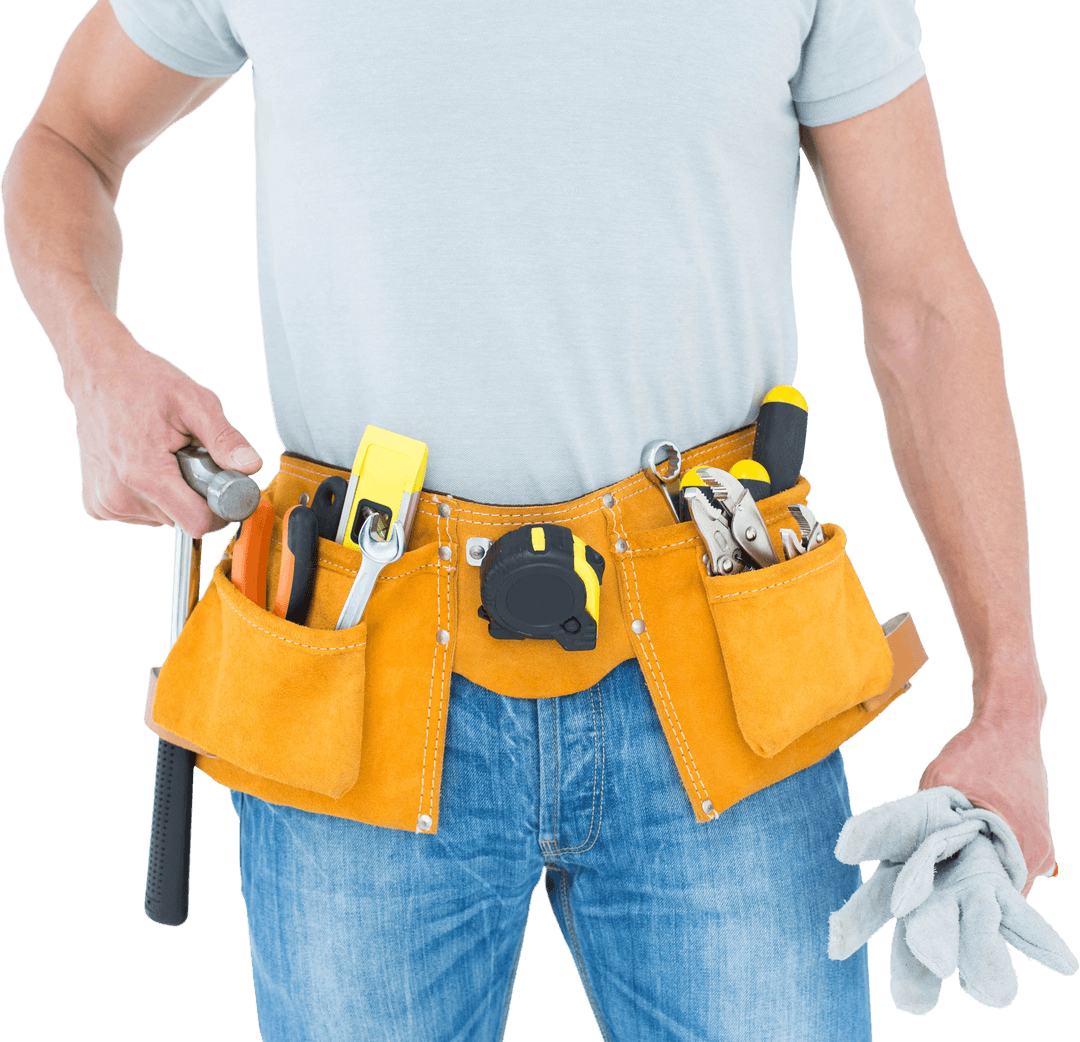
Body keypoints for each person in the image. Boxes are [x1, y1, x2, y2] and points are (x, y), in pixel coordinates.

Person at [1, 1, 1060, 1039]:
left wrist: (1010, 702)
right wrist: (95, 363)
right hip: (361, 674)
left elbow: (924, 307)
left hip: (718, 678)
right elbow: (65, 140)